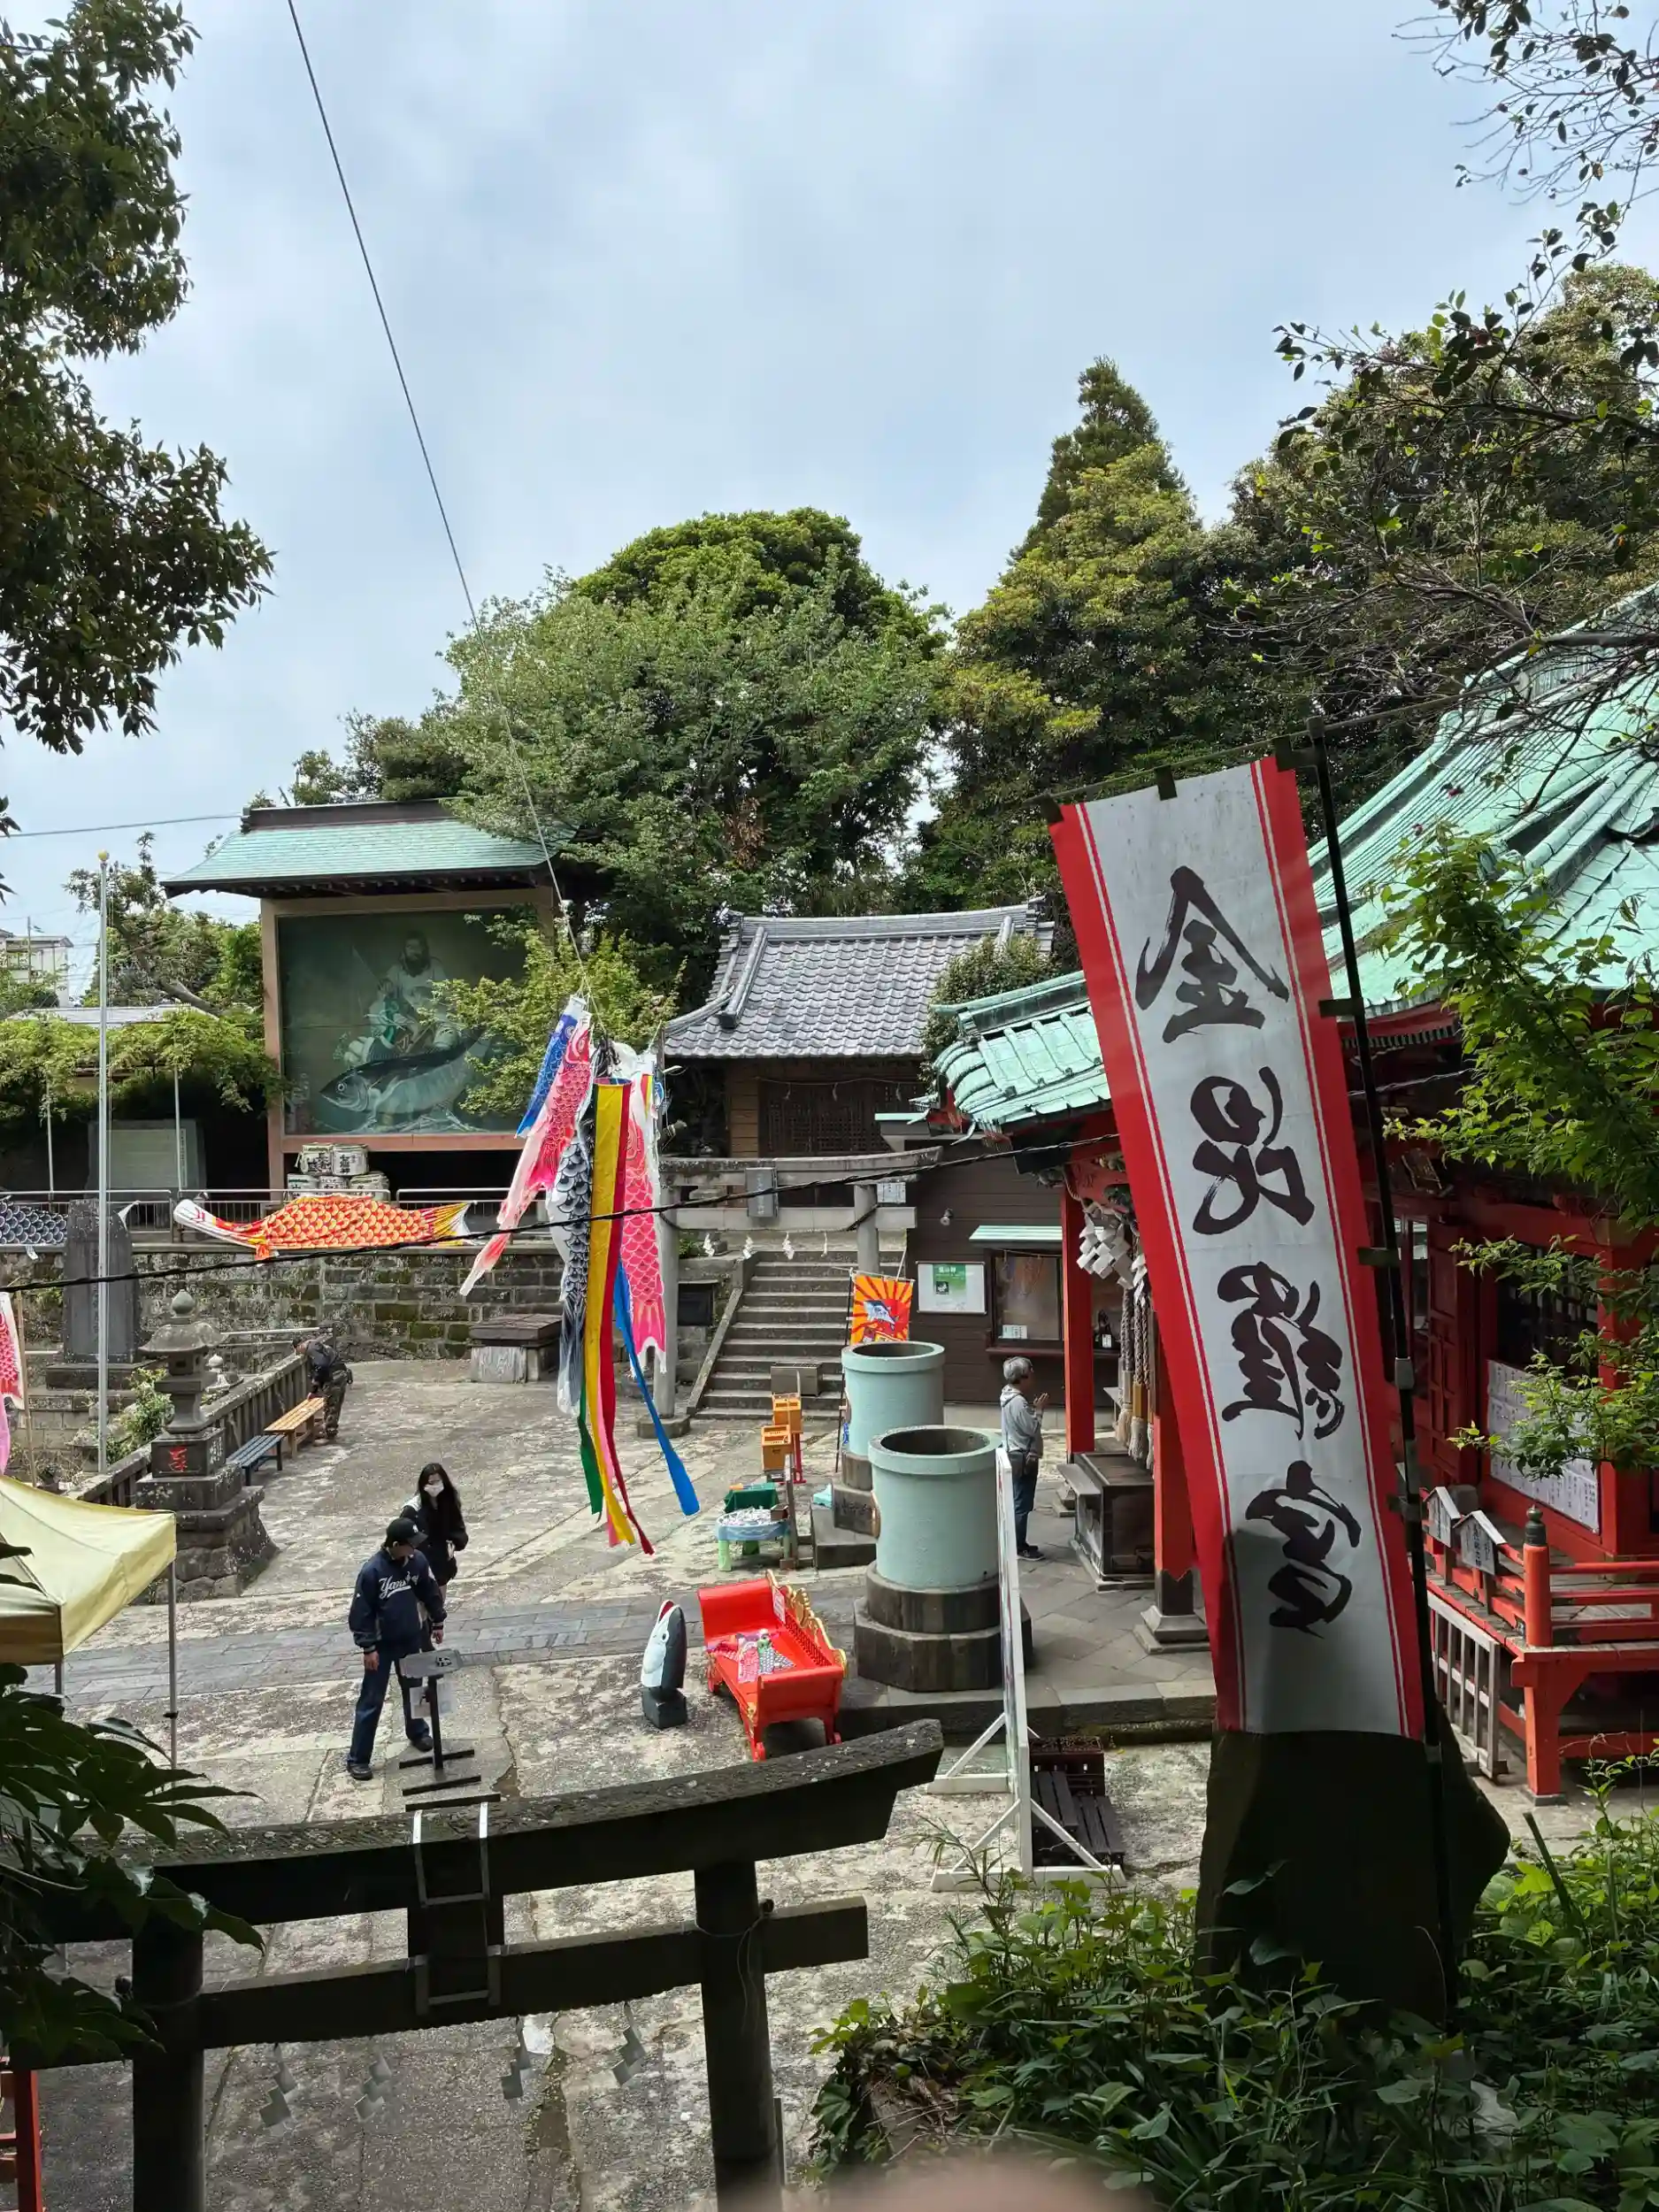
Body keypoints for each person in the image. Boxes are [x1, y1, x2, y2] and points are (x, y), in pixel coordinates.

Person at [345, 1516, 446, 1780]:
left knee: (415, 1690)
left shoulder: (417, 1562)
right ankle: (358, 1758)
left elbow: (429, 1591)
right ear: (395, 1545)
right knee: (372, 1700)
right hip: (381, 1646)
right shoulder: (372, 1572)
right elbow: (361, 1613)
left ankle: (418, 1732)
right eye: (410, 1545)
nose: (414, 1549)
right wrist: (368, 1647)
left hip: (411, 1639)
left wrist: (437, 1621)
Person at [999, 1356, 1048, 1561]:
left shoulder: (1007, 1395)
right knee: (1022, 1503)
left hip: (1014, 1452)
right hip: (1023, 1456)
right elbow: (1032, 1428)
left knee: (1018, 1500)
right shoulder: (1018, 1402)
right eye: (1031, 1372)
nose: (1033, 1375)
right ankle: (1019, 1546)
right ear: (1022, 1377)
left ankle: (1017, 1542)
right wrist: (1039, 1410)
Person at [403, 1461, 469, 1587]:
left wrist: (454, 1543)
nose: (435, 1486)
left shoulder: (449, 1502)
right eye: (431, 1483)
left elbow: (458, 1528)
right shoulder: (413, 1509)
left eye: (438, 1482)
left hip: (441, 1563)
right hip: (422, 1564)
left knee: (439, 1596)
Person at [298, 1334, 351, 1441]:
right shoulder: (319, 1346)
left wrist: (316, 1381)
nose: (299, 1354)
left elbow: (322, 1366)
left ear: (300, 1346)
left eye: (297, 1351)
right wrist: (314, 1390)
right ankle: (330, 1430)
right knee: (335, 1405)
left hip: (334, 1377)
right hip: (341, 1374)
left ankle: (329, 1434)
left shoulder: (312, 1350)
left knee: (330, 1405)